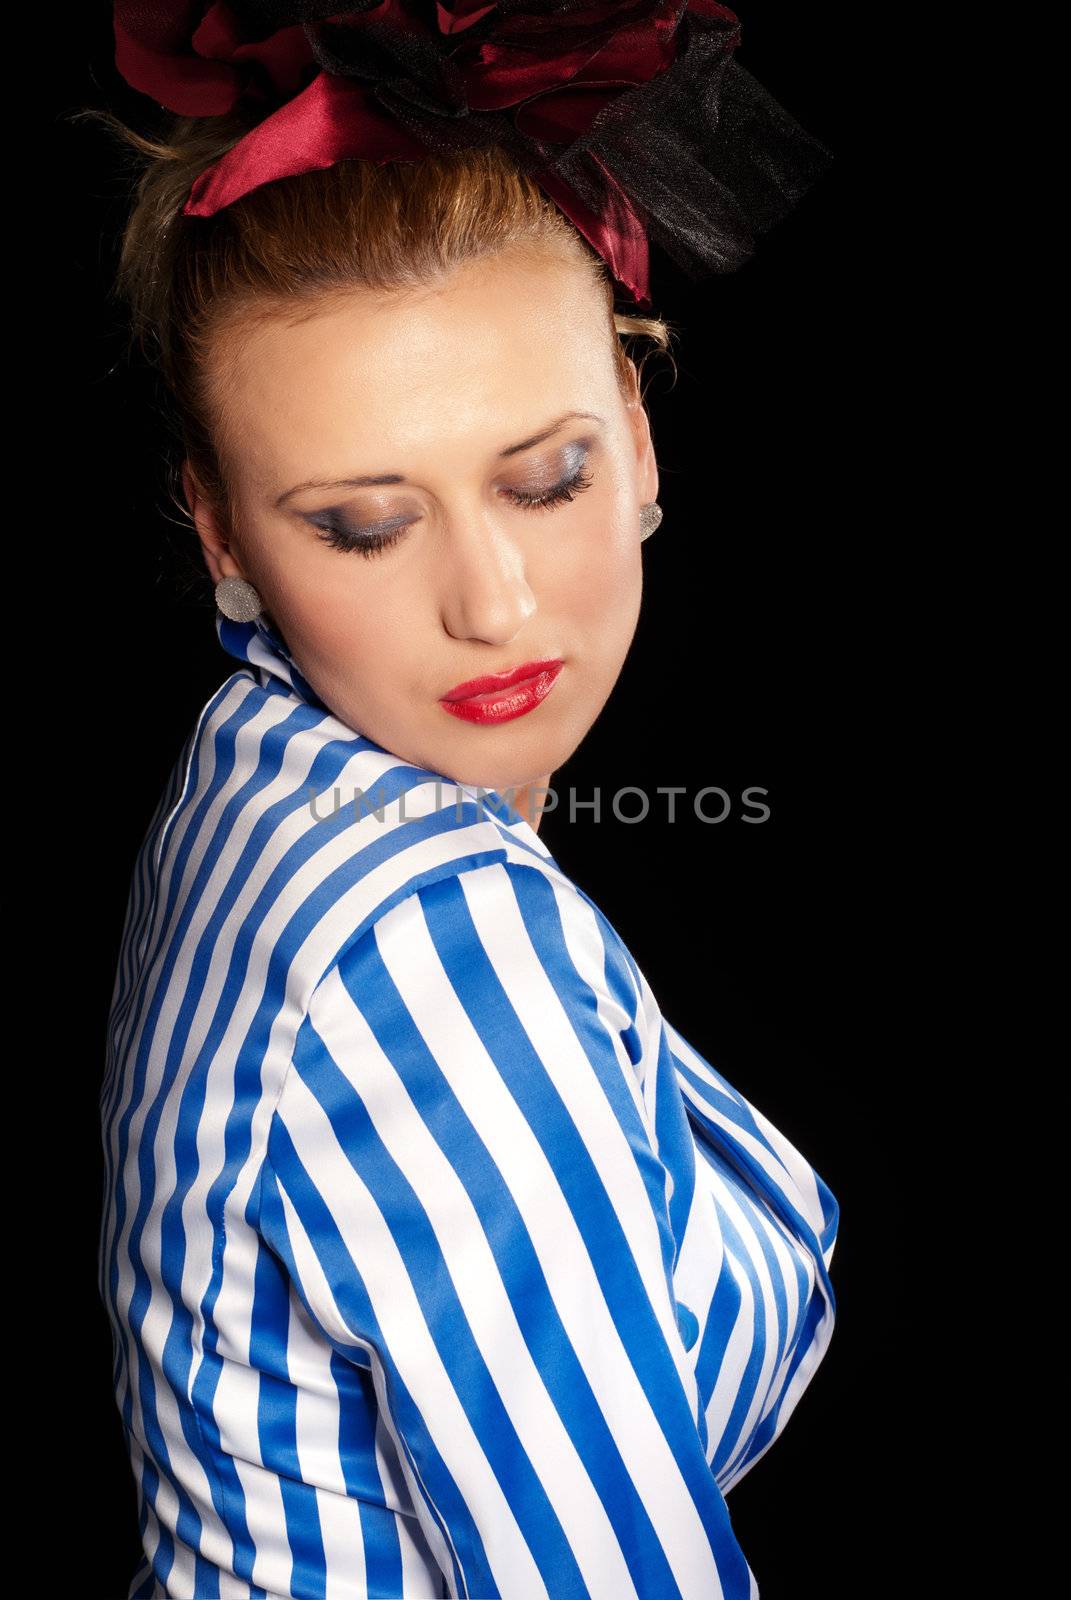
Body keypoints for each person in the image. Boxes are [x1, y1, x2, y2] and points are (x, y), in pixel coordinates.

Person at [96, 5, 840, 1597]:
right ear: (220, 531)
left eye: (547, 480)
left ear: (639, 441)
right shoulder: (431, 943)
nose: (497, 608)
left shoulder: (251, 770)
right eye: (364, 523)